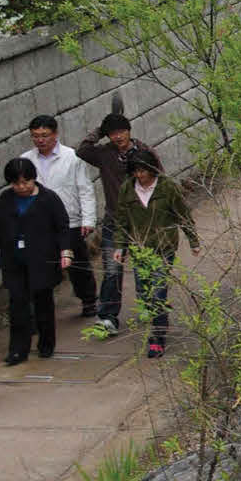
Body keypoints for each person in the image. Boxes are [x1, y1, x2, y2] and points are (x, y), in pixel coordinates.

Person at [112, 148, 197, 359]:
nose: (140, 176)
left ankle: (157, 338)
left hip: (163, 246)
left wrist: (193, 239)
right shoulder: (127, 190)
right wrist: (119, 246)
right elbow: (121, 219)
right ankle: (160, 318)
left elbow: (182, 213)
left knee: (158, 291)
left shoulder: (167, 187)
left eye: (143, 171)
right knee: (144, 293)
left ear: (152, 168)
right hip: (140, 249)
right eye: (136, 171)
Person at [0, 157, 72, 364]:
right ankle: (18, 350)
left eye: (25, 182)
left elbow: (62, 227)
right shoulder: (6, 199)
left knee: (42, 302)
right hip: (14, 260)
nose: (21, 187)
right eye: (16, 183)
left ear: (33, 179)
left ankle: (46, 344)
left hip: (41, 259)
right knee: (17, 304)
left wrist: (65, 252)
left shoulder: (49, 199)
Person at [18, 114, 95, 318]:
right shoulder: (26, 160)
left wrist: (88, 219)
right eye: (35, 136)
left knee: (77, 263)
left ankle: (88, 300)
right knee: (39, 266)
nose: (40, 140)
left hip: (70, 219)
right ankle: (40, 310)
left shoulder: (72, 157)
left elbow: (85, 189)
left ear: (55, 134)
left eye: (44, 135)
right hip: (39, 224)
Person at [78, 112, 140, 338]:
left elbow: (160, 182)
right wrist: (100, 131)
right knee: (112, 270)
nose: (118, 137)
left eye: (121, 131)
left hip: (141, 222)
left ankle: (150, 308)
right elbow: (82, 150)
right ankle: (108, 317)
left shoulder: (143, 152)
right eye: (112, 133)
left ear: (129, 131)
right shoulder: (104, 154)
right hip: (114, 221)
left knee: (144, 268)